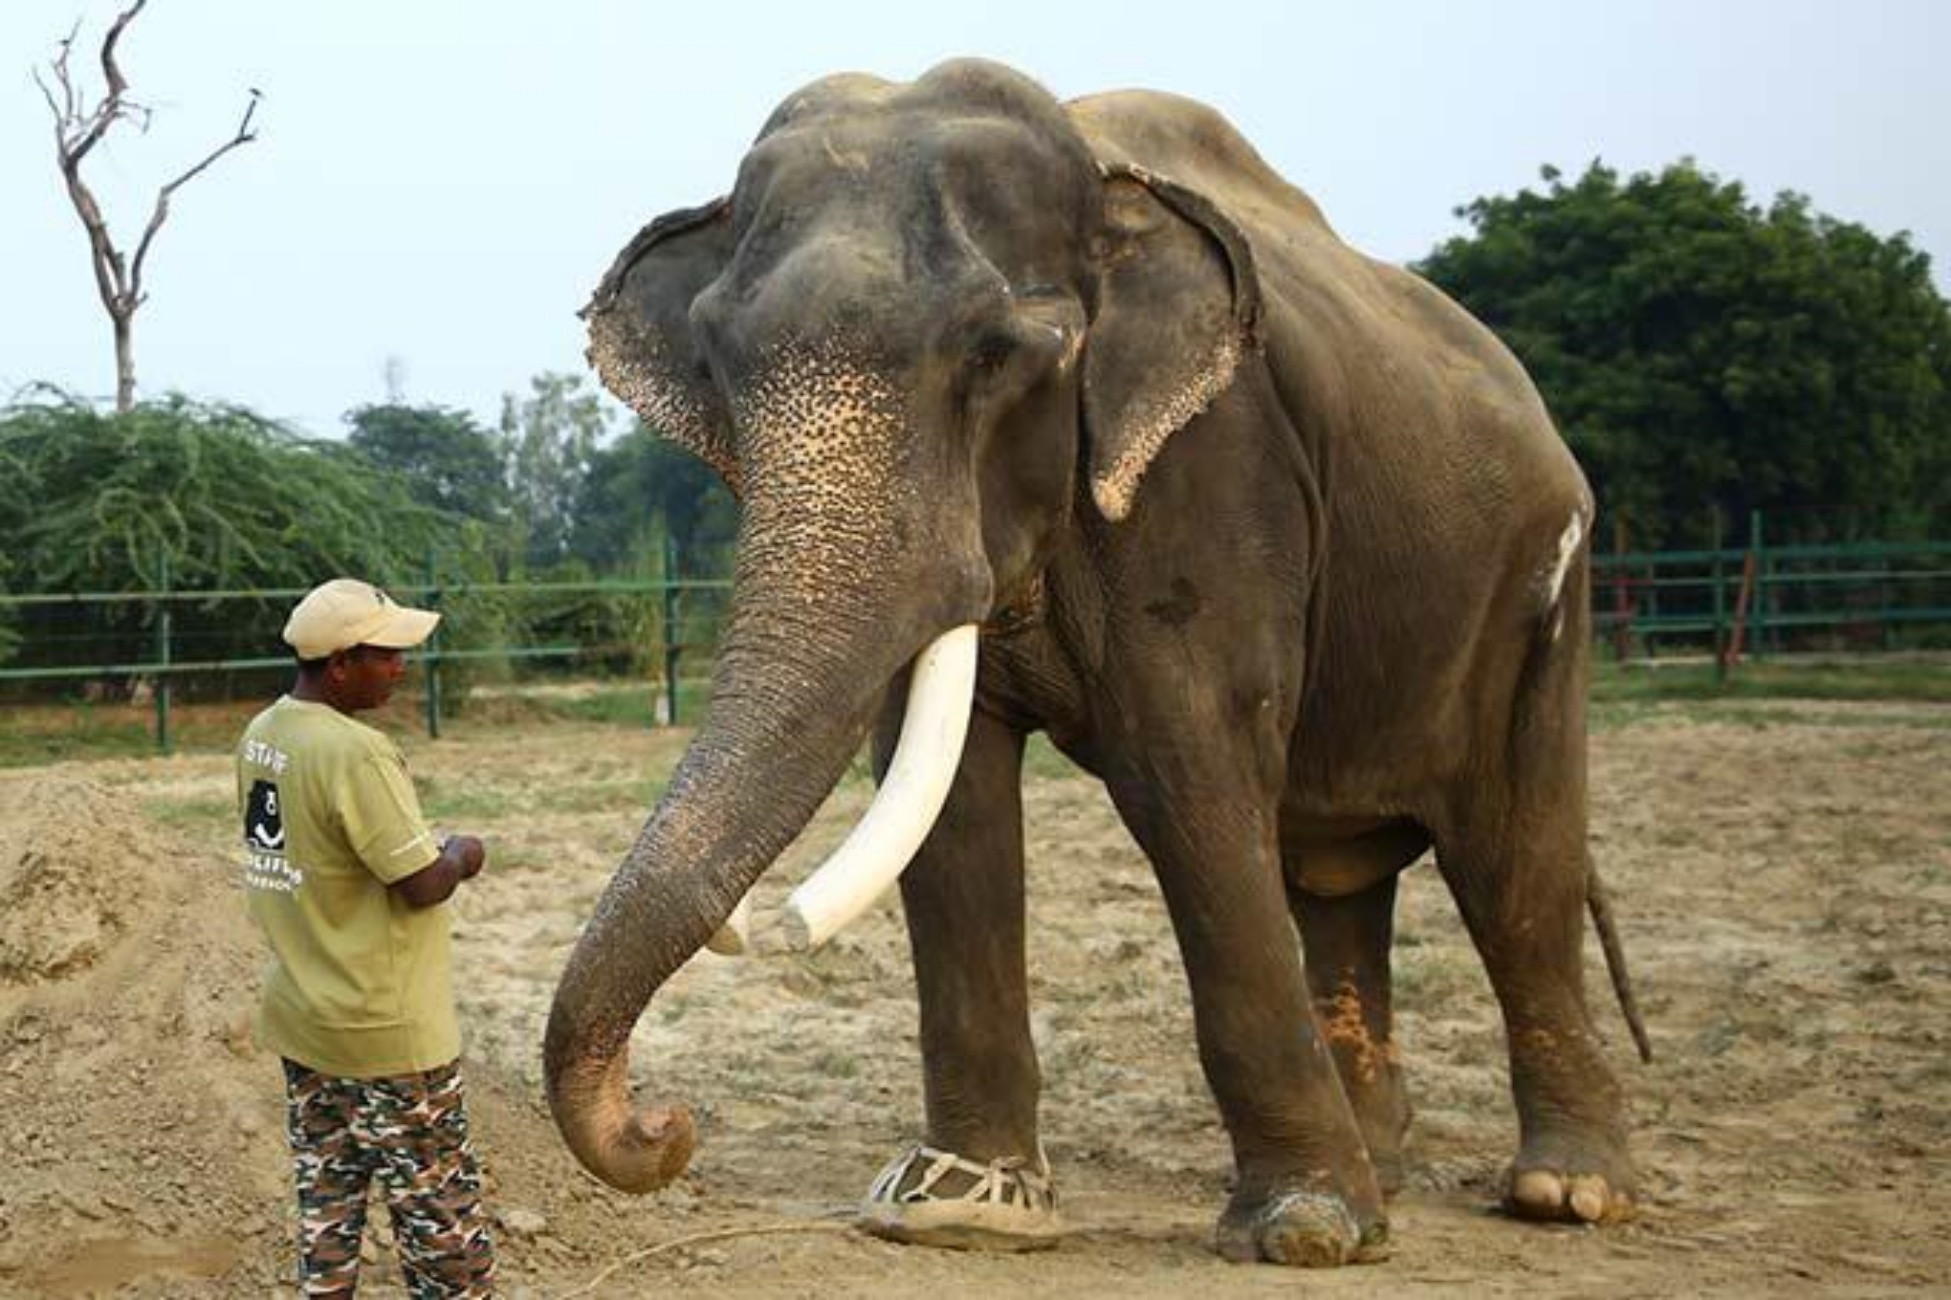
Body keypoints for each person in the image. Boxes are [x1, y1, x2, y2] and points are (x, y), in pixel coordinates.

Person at [237, 577, 497, 1297]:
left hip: (306, 1018)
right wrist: (462, 852)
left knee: (328, 1206)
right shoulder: (356, 752)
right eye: (386, 655)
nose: (400, 667)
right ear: (341, 663)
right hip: (388, 1032)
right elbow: (418, 882)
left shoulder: (264, 736)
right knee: (443, 1222)